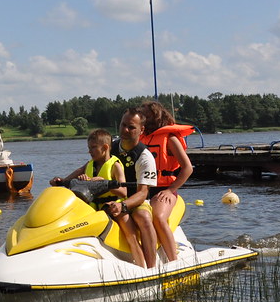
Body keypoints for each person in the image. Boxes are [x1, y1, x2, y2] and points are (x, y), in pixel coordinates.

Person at [50, 129, 147, 267]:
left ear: (105, 147)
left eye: (93, 148)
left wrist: (104, 183)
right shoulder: (90, 165)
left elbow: (124, 192)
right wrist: (62, 180)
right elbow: (77, 172)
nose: (90, 151)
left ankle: (142, 266)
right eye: (89, 148)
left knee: (130, 235)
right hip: (93, 207)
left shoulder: (115, 165)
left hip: (115, 207)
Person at [139, 101, 195, 263]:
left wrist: (171, 190)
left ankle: (173, 260)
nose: (144, 119)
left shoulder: (169, 138)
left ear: (157, 116)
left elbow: (187, 168)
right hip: (144, 188)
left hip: (164, 189)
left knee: (158, 217)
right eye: (142, 116)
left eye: (147, 116)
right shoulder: (140, 139)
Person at [109, 108, 160, 267]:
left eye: (131, 127)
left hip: (135, 201)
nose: (125, 130)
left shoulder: (145, 157)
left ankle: (151, 268)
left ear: (141, 130)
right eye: (123, 125)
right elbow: (86, 167)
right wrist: (66, 180)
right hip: (112, 198)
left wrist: (122, 205)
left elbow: (143, 193)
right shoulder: (109, 148)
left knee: (143, 218)